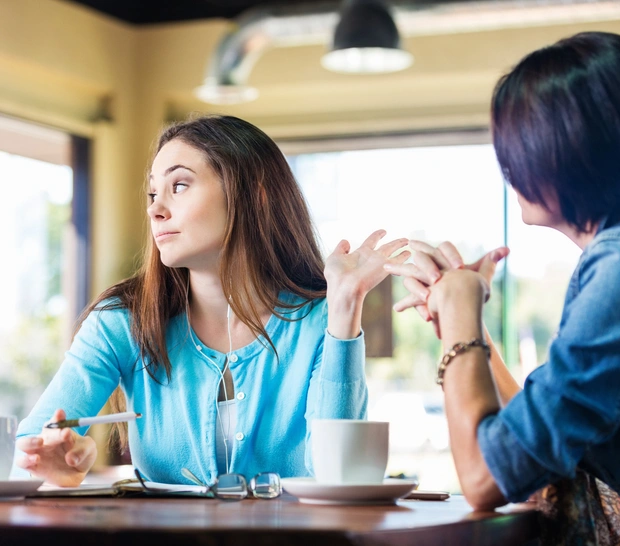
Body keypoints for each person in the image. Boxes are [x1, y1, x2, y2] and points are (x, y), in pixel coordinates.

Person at [386, 32, 620, 545]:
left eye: (514, 147)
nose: (508, 168)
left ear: (562, 150)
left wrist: (459, 310)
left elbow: (485, 478)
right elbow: (539, 429)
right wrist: (467, 324)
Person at [13, 115, 408, 487]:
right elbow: (33, 442)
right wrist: (49, 458)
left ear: (256, 194)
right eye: (152, 192)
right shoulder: (122, 321)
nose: (155, 208)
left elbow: (340, 476)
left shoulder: (320, 322)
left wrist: (343, 308)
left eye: (179, 185)